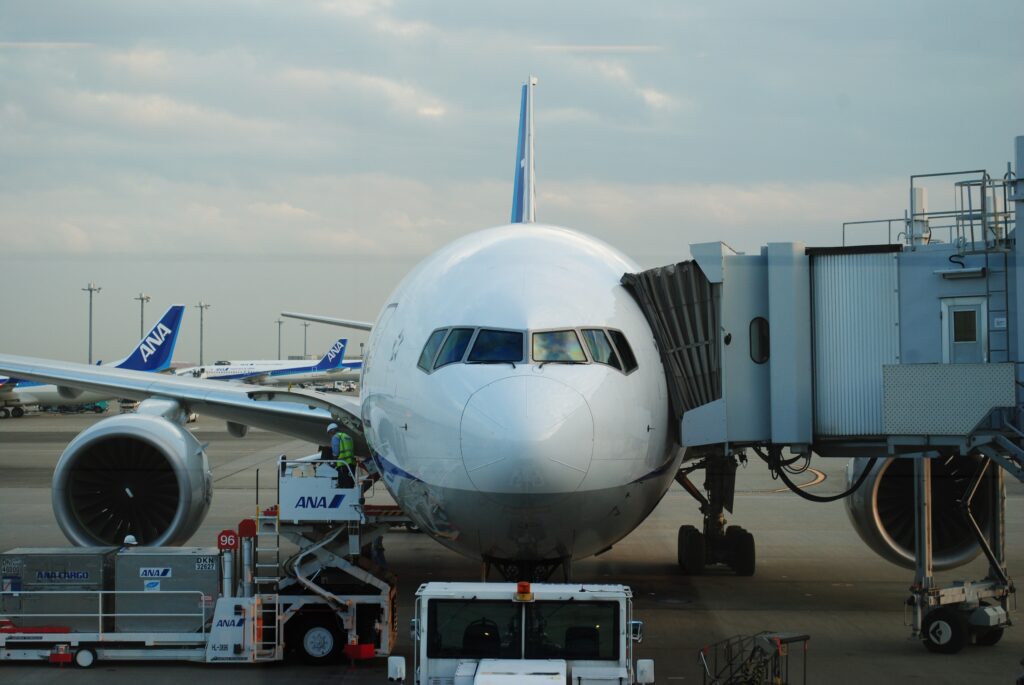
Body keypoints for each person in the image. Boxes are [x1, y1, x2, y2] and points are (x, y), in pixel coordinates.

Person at [327, 422, 356, 488]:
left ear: (332, 431)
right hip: (351, 464)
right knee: (350, 484)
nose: (330, 436)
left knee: (343, 485)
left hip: (342, 465)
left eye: (329, 433)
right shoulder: (347, 436)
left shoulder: (336, 437)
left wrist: (334, 462)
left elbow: (336, 451)